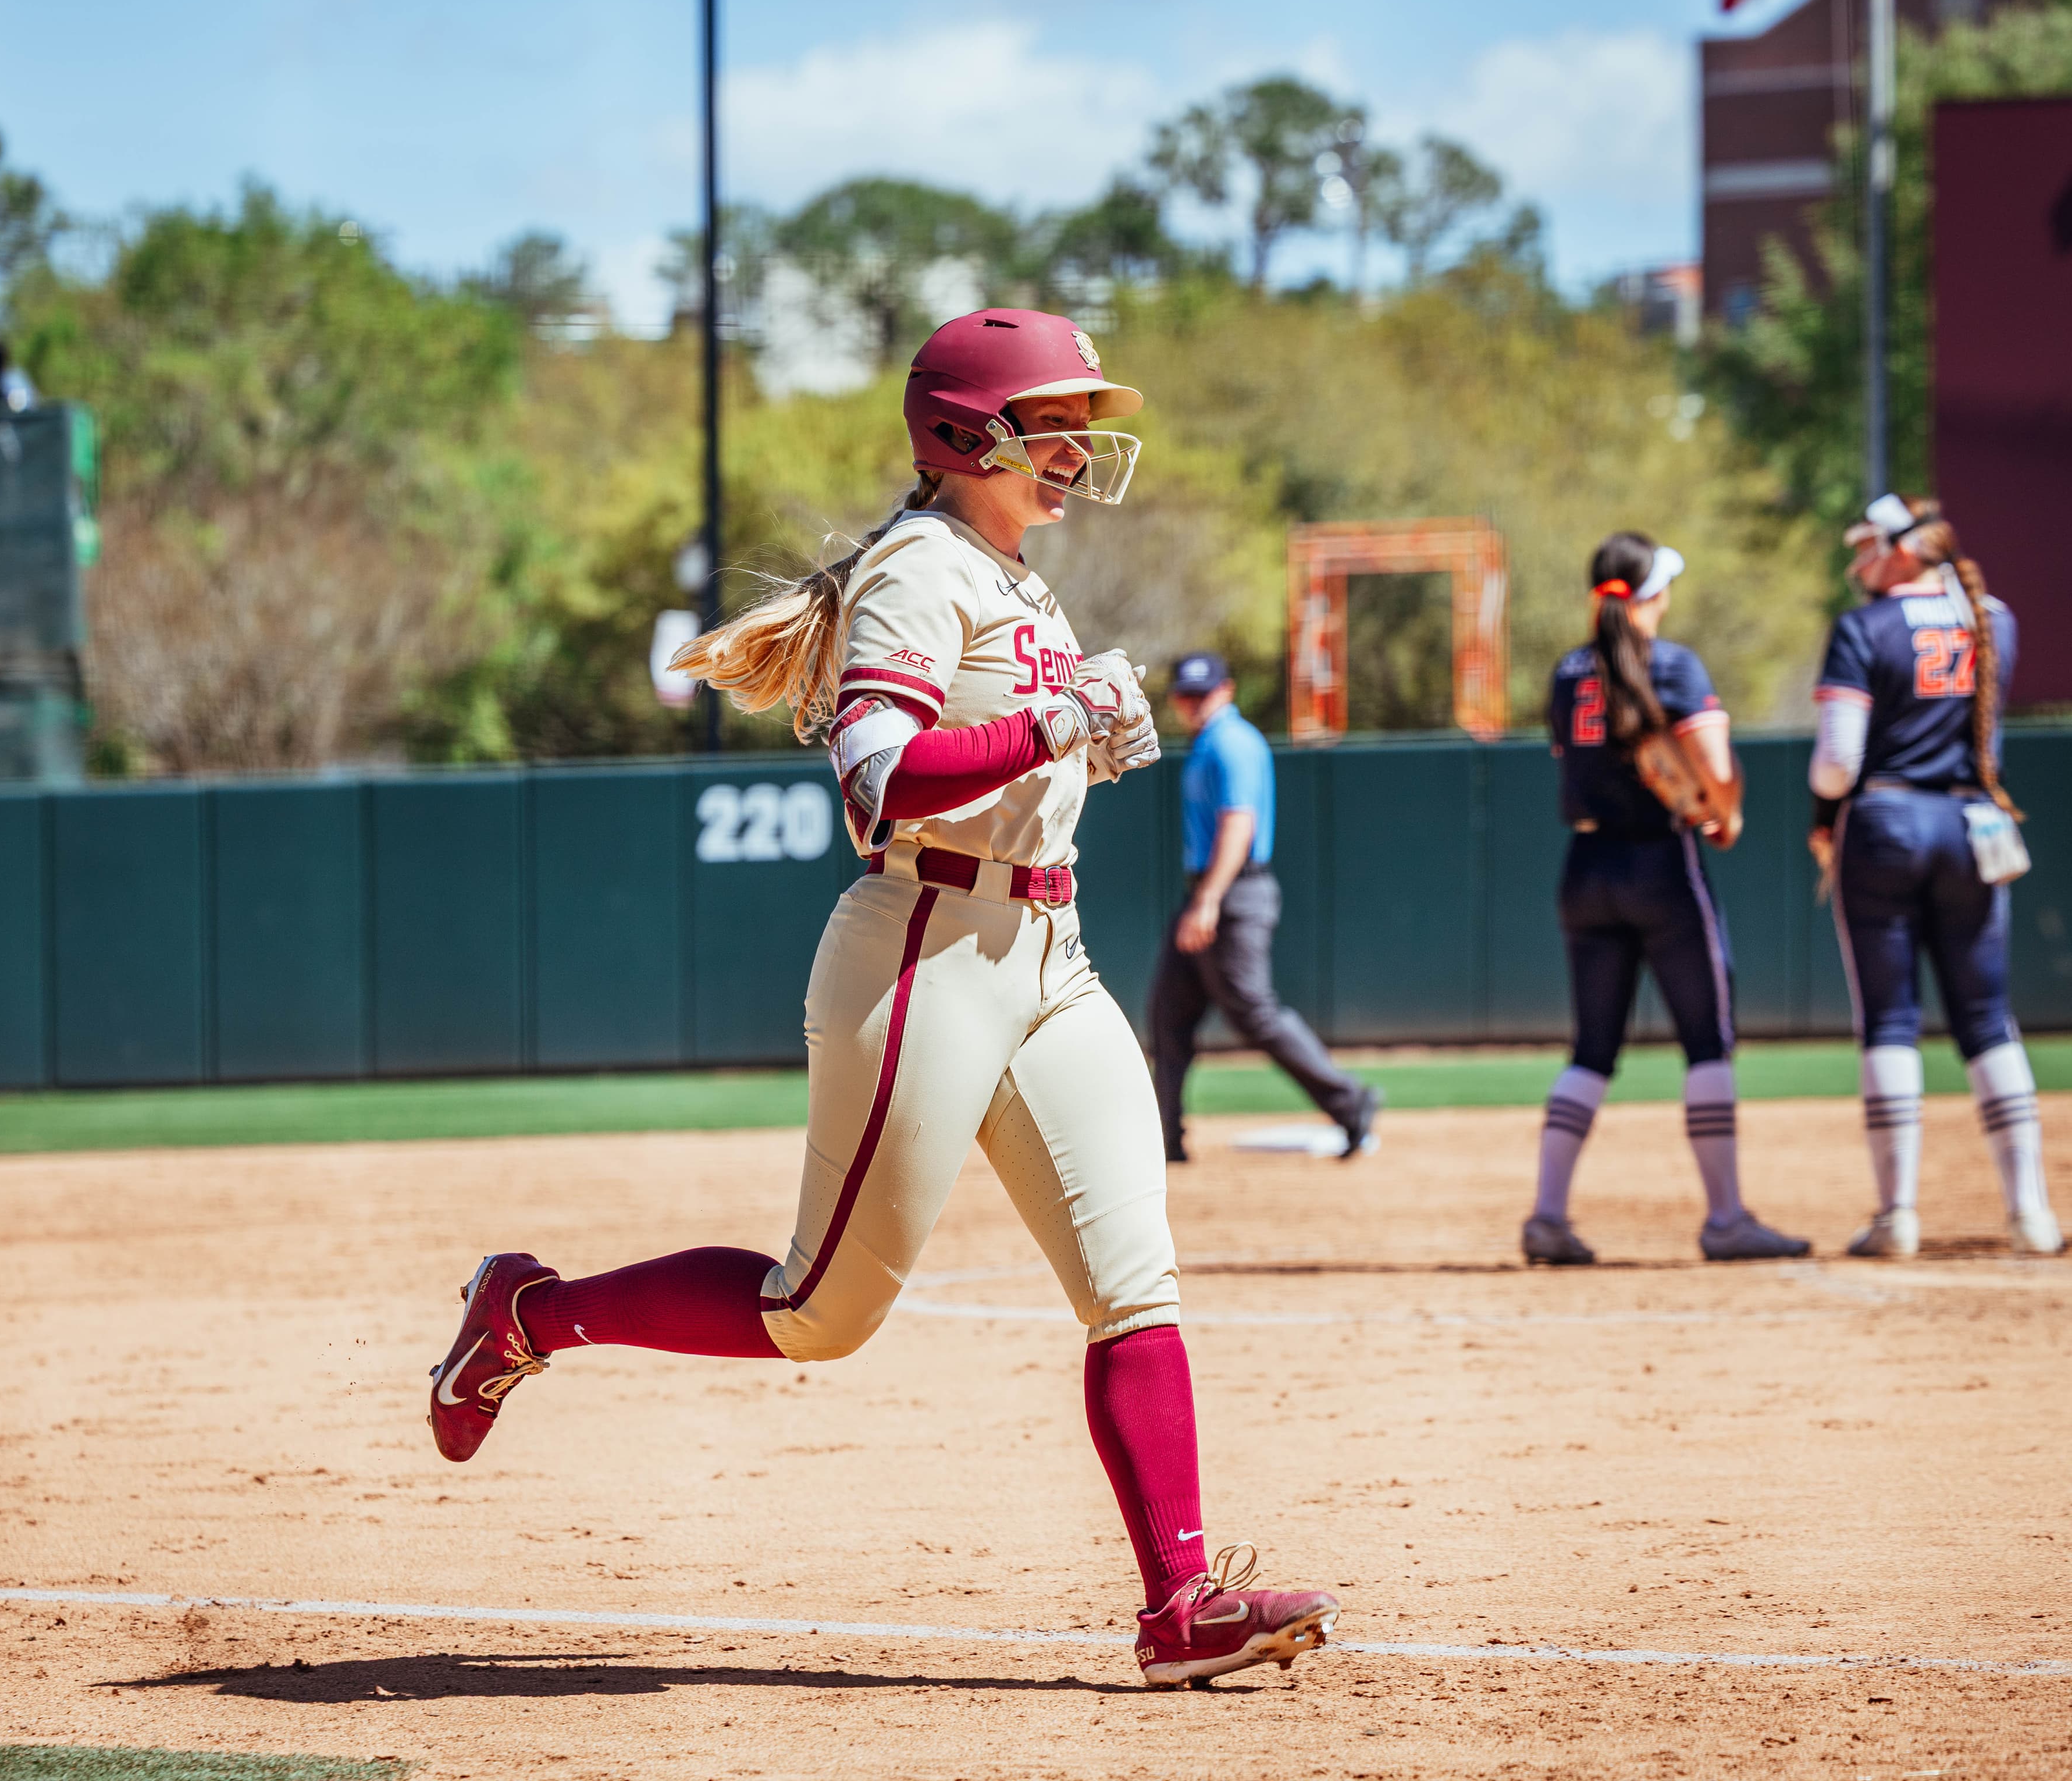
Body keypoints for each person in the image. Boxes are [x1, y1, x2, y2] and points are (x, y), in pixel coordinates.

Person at [424, 309, 1340, 1689]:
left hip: (1049, 952)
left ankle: (1180, 1601)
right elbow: (874, 781)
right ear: (967, 434)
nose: (1079, 441)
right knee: (818, 1311)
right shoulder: (921, 569)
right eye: (1053, 417)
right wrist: (1048, 724)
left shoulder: (1013, 574)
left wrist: (1084, 743)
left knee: (1132, 1280)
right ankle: (528, 1314)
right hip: (925, 948)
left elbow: (1020, 747)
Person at [1522, 532, 1811, 1266]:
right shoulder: (1672, 664)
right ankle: (1724, 1219)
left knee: (1591, 1050)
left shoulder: (1567, 672)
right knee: (1706, 1042)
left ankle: (1547, 1217)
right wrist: (1727, 812)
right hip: (1660, 862)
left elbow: (1571, 757)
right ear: (1652, 594)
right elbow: (1714, 765)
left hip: (1584, 866)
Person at [1810, 494, 2063, 1258]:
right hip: (1971, 826)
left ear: (1907, 550)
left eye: (1868, 548)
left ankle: (1899, 1217)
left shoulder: (1863, 629)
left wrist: (1825, 811)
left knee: (1890, 1021)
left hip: (1887, 823)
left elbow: (1836, 766)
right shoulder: (1997, 619)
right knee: (1988, 1017)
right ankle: (2031, 1215)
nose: (1859, 564)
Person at [1147, 652, 1380, 1164]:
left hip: (1231, 893)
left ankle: (1352, 1101)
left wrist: (1208, 900)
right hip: (1210, 892)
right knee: (1169, 1014)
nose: (1193, 704)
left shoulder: (1232, 742)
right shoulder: (1209, 742)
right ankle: (1162, 1139)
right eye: (1185, 695)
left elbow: (1239, 825)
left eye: (1201, 693)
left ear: (1226, 690)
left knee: (1254, 1012)